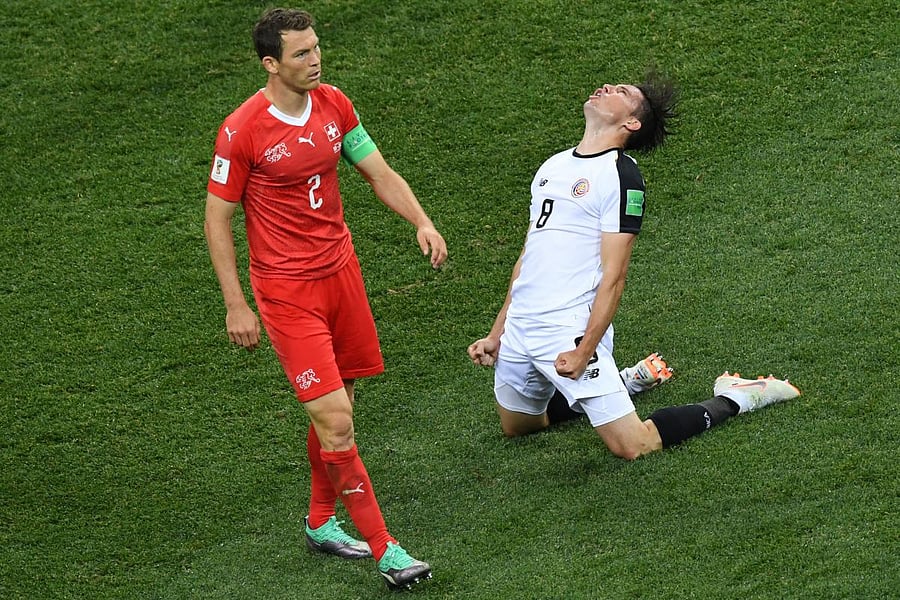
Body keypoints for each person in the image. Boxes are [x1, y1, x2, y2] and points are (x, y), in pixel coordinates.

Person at [204, 8, 444, 590]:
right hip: (287, 294)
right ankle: (387, 551)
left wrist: (420, 220)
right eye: (301, 54)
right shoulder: (242, 131)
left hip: (343, 277)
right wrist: (237, 304)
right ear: (271, 63)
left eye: (316, 49)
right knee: (336, 422)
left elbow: (377, 170)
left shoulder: (335, 104)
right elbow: (217, 220)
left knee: (338, 412)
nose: (315, 61)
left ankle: (319, 522)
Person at [467, 75, 800, 459]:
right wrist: (498, 333)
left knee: (632, 445)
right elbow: (529, 257)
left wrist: (584, 350)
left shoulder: (621, 177)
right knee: (518, 426)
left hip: (567, 329)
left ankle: (735, 398)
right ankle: (620, 384)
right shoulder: (552, 167)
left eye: (621, 92)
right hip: (521, 328)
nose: (606, 87)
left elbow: (615, 275)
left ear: (632, 123)